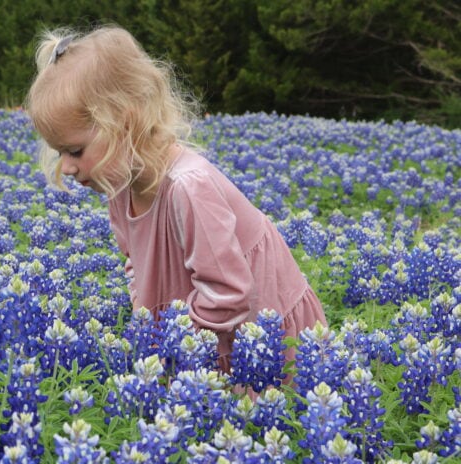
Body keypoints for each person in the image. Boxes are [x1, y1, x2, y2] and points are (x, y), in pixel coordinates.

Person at [24, 25, 327, 374]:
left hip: (258, 336)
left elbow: (228, 292)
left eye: (75, 151)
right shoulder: (119, 188)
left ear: (125, 123)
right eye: (60, 153)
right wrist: (150, 328)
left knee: (255, 416)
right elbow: (135, 263)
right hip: (199, 332)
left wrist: (181, 352)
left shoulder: (189, 187)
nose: (67, 168)